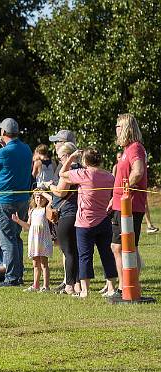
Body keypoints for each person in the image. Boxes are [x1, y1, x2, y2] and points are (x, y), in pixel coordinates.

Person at [61, 147, 118, 298]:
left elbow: (62, 174)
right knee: (107, 254)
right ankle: (111, 288)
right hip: (104, 221)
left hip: (84, 223)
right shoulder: (109, 176)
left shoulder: (83, 174)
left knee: (85, 256)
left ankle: (85, 291)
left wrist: (71, 158)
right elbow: (115, 193)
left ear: (85, 161)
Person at [0, 118, 33, 287]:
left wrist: (1, 150)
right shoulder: (27, 149)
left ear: (4, 133)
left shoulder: (3, 152)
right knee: (16, 237)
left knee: (7, 240)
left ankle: (12, 277)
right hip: (22, 199)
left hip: (4, 200)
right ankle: (18, 275)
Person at [110, 113, 148, 294]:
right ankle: (125, 284)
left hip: (130, 205)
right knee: (119, 246)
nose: (116, 130)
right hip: (120, 204)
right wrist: (113, 198)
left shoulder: (135, 148)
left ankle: (127, 286)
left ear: (126, 128)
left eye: (118, 127)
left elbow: (138, 171)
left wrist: (127, 187)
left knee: (125, 246)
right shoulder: (127, 149)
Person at [49, 142, 81, 295]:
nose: (60, 160)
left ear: (68, 156)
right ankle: (77, 284)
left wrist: (50, 187)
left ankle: (69, 285)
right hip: (77, 213)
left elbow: (61, 191)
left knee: (68, 251)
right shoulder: (82, 168)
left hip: (67, 213)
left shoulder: (69, 169)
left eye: (61, 157)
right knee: (75, 251)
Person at [11, 188, 53, 292]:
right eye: (37, 197)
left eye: (42, 197)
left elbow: (51, 199)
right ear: (34, 198)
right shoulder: (32, 210)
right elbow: (28, 226)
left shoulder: (46, 209)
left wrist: (43, 192)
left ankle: (46, 286)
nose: (40, 199)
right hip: (34, 239)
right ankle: (36, 285)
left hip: (43, 238)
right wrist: (18, 221)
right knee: (35, 263)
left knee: (44, 263)